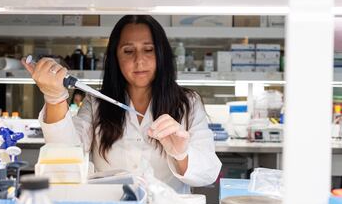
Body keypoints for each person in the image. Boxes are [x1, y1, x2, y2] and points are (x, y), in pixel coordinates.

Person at [22, 15, 221, 193]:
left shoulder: (188, 103)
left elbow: (208, 174)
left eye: (148, 50)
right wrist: (55, 98)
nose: (139, 60)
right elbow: (64, 155)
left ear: (162, 54)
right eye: (128, 51)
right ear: (115, 57)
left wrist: (181, 154)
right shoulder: (97, 103)